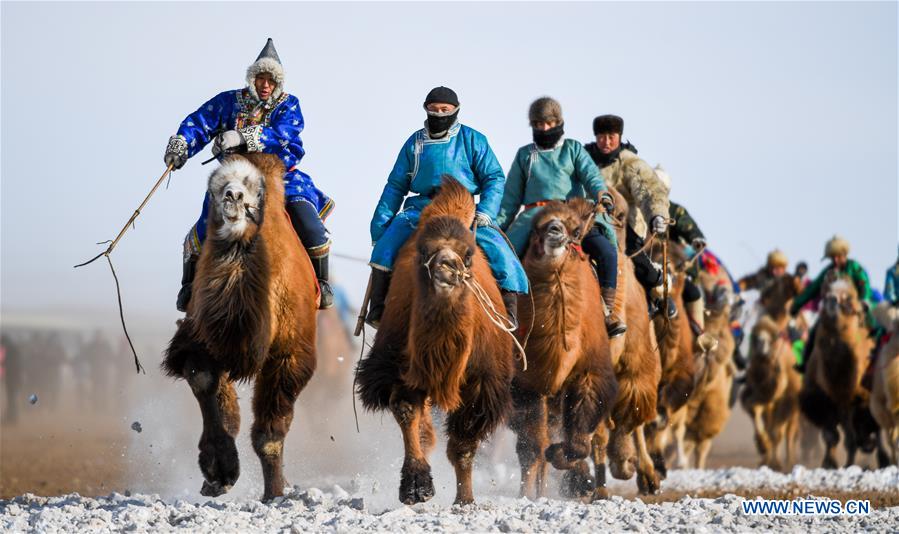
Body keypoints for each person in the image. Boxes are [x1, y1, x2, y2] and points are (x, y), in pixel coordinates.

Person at [163, 38, 335, 310]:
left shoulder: (289, 105)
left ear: (278, 83)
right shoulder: (228, 102)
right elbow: (200, 122)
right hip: (235, 177)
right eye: (260, 78)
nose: (265, 85)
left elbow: (283, 134)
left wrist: (240, 136)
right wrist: (182, 145)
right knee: (204, 227)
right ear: (252, 79)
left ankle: (322, 284)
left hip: (280, 176)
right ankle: (189, 287)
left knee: (310, 225)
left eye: (270, 80)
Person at [365, 86, 529, 328]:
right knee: (388, 242)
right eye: (433, 109)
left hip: (462, 207)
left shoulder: (473, 140)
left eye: (444, 110)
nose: (439, 114)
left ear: (455, 110)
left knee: (497, 246)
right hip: (423, 207)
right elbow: (396, 184)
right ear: (426, 110)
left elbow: (494, 177)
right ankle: (378, 308)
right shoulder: (415, 143)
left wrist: (486, 211)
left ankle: (509, 308)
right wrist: (380, 226)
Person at [497, 97, 624, 337]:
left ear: (559, 122)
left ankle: (607, 312)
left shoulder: (573, 149)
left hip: (571, 213)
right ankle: (507, 312)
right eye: (538, 124)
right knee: (504, 254)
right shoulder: (526, 155)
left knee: (606, 251)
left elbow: (592, 176)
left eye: (549, 123)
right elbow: (510, 199)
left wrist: (601, 195)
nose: (544, 128)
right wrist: (494, 228)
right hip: (535, 215)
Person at [584, 114, 675, 318]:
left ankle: (657, 289)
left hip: (623, 225)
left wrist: (657, 215)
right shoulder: (583, 158)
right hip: (589, 219)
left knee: (633, 254)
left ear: (619, 136)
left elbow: (649, 191)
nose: (606, 142)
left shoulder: (631, 164)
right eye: (601, 136)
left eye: (611, 137)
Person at [790, 235, 875, 373]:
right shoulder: (827, 272)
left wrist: (864, 302)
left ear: (844, 255)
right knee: (814, 332)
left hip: (853, 309)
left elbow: (864, 285)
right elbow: (811, 290)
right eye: (832, 257)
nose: (835, 260)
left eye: (838, 256)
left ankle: (874, 362)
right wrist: (795, 306)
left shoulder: (855, 268)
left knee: (875, 331)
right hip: (831, 312)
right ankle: (806, 363)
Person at [653, 167, 716, 351]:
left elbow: (691, 229)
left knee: (692, 292)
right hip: (643, 262)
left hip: (674, 267)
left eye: (659, 189)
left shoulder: (675, 211)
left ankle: (699, 335)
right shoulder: (638, 208)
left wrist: (696, 238)